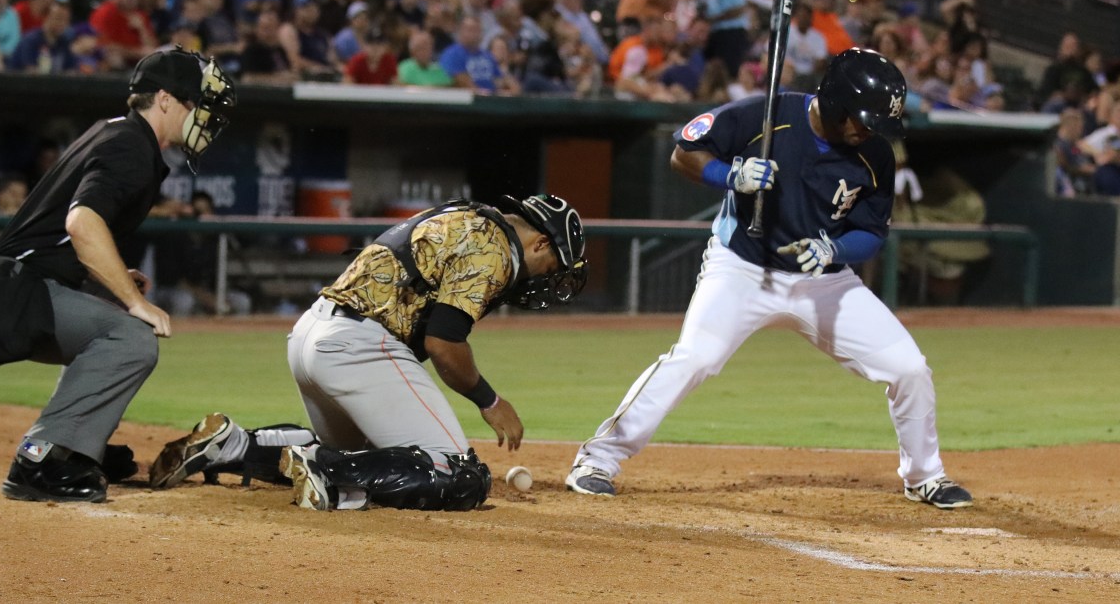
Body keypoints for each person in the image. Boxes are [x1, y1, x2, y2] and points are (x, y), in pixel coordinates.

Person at [565, 48, 974, 511]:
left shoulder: (875, 153)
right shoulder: (764, 115)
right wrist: (730, 175)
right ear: (835, 102)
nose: (868, 130)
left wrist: (835, 250)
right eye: (863, 119)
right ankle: (597, 460)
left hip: (823, 280)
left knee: (909, 368)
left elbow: (872, 232)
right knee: (695, 358)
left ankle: (925, 477)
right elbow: (684, 154)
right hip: (742, 267)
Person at [148, 194, 589, 512]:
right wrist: (490, 401)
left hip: (311, 333)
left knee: (361, 453)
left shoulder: (466, 216)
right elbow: (444, 344)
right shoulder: (496, 249)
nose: (543, 280)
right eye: (551, 267)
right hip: (359, 347)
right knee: (459, 475)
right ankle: (327, 474)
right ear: (540, 243)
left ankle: (235, 445)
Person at [0, 48, 237, 504]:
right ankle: (39, 458)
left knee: (109, 330)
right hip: (12, 292)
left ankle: (76, 446)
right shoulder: (131, 145)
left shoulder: (117, 132)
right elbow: (81, 222)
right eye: (195, 104)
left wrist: (113, 275)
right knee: (132, 338)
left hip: (8, 286)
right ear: (165, 100)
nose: (201, 116)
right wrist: (134, 300)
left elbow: (61, 234)